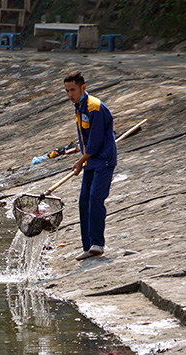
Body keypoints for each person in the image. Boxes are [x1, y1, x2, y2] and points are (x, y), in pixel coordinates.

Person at [63, 71, 117, 261]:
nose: (70, 94)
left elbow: (95, 141)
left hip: (104, 160)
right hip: (90, 161)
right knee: (84, 201)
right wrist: (83, 160)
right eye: (67, 91)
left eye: (73, 90)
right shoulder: (79, 106)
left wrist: (79, 161)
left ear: (83, 88)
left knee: (95, 198)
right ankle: (88, 247)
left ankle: (97, 244)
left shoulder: (94, 107)